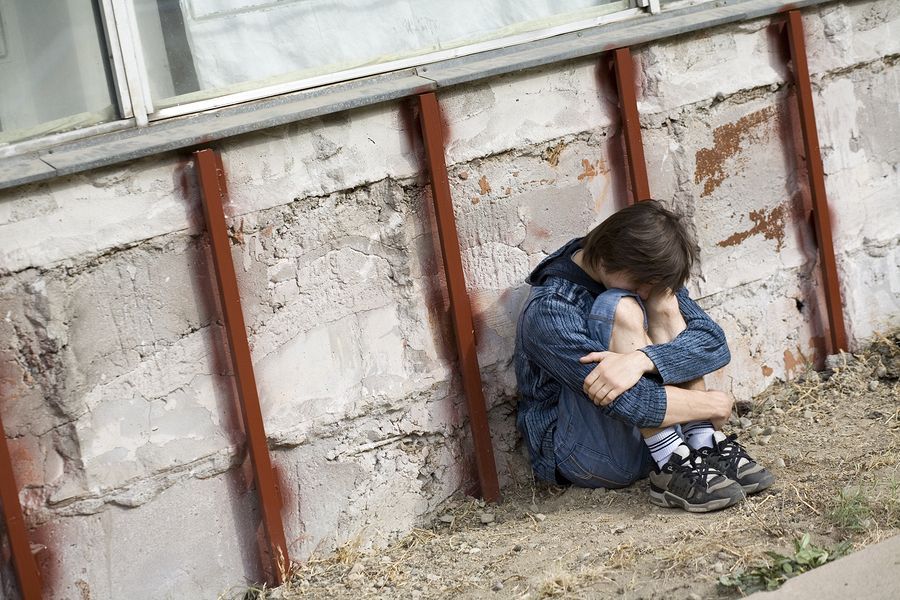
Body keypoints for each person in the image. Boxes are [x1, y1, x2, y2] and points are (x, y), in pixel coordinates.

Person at [515, 200, 774, 512]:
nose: (646, 292)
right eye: (641, 283)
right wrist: (712, 404)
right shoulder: (551, 308)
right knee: (620, 305)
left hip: (658, 432)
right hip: (590, 454)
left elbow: (713, 343)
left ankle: (701, 444)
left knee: (665, 301)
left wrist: (642, 359)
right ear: (606, 260)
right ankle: (673, 462)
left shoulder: (644, 275)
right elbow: (629, 402)